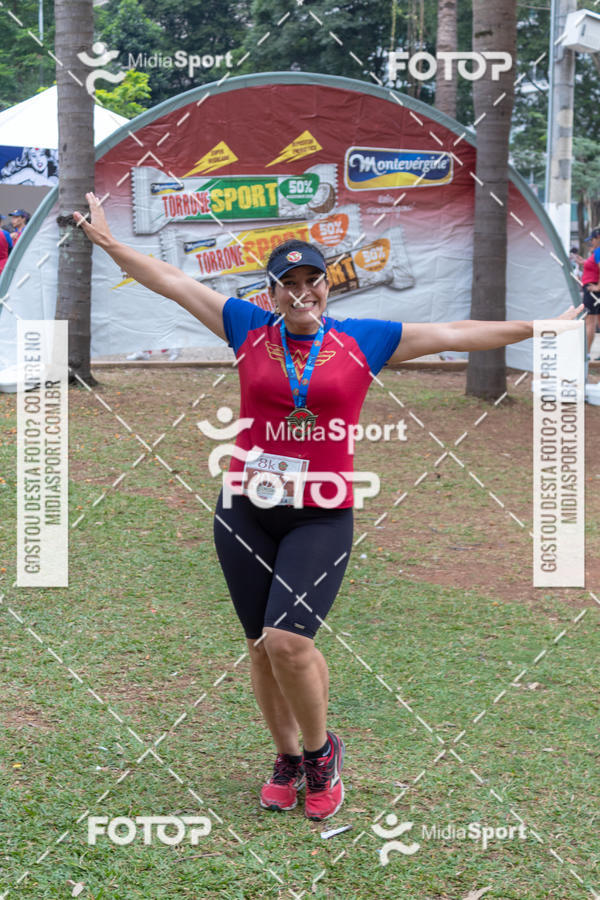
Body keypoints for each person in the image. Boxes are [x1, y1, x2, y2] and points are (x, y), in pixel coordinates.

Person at [74, 192, 582, 822]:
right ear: (272, 291)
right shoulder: (243, 327)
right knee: (259, 645)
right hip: (245, 505)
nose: (302, 292)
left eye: (312, 280)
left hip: (321, 511)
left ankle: (321, 753)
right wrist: (110, 242)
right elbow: (174, 280)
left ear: (326, 286)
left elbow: (457, 333)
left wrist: (547, 329)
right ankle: (286, 757)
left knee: (289, 640)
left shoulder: (364, 340)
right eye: (289, 283)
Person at [581, 228, 600, 355]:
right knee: (594, 321)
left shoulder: (598, 251)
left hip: (593, 291)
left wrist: (598, 287)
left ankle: (586, 354)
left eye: (592, 239)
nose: (591, 243)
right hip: (593, 289)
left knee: (590, 322)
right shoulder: (596, 252)